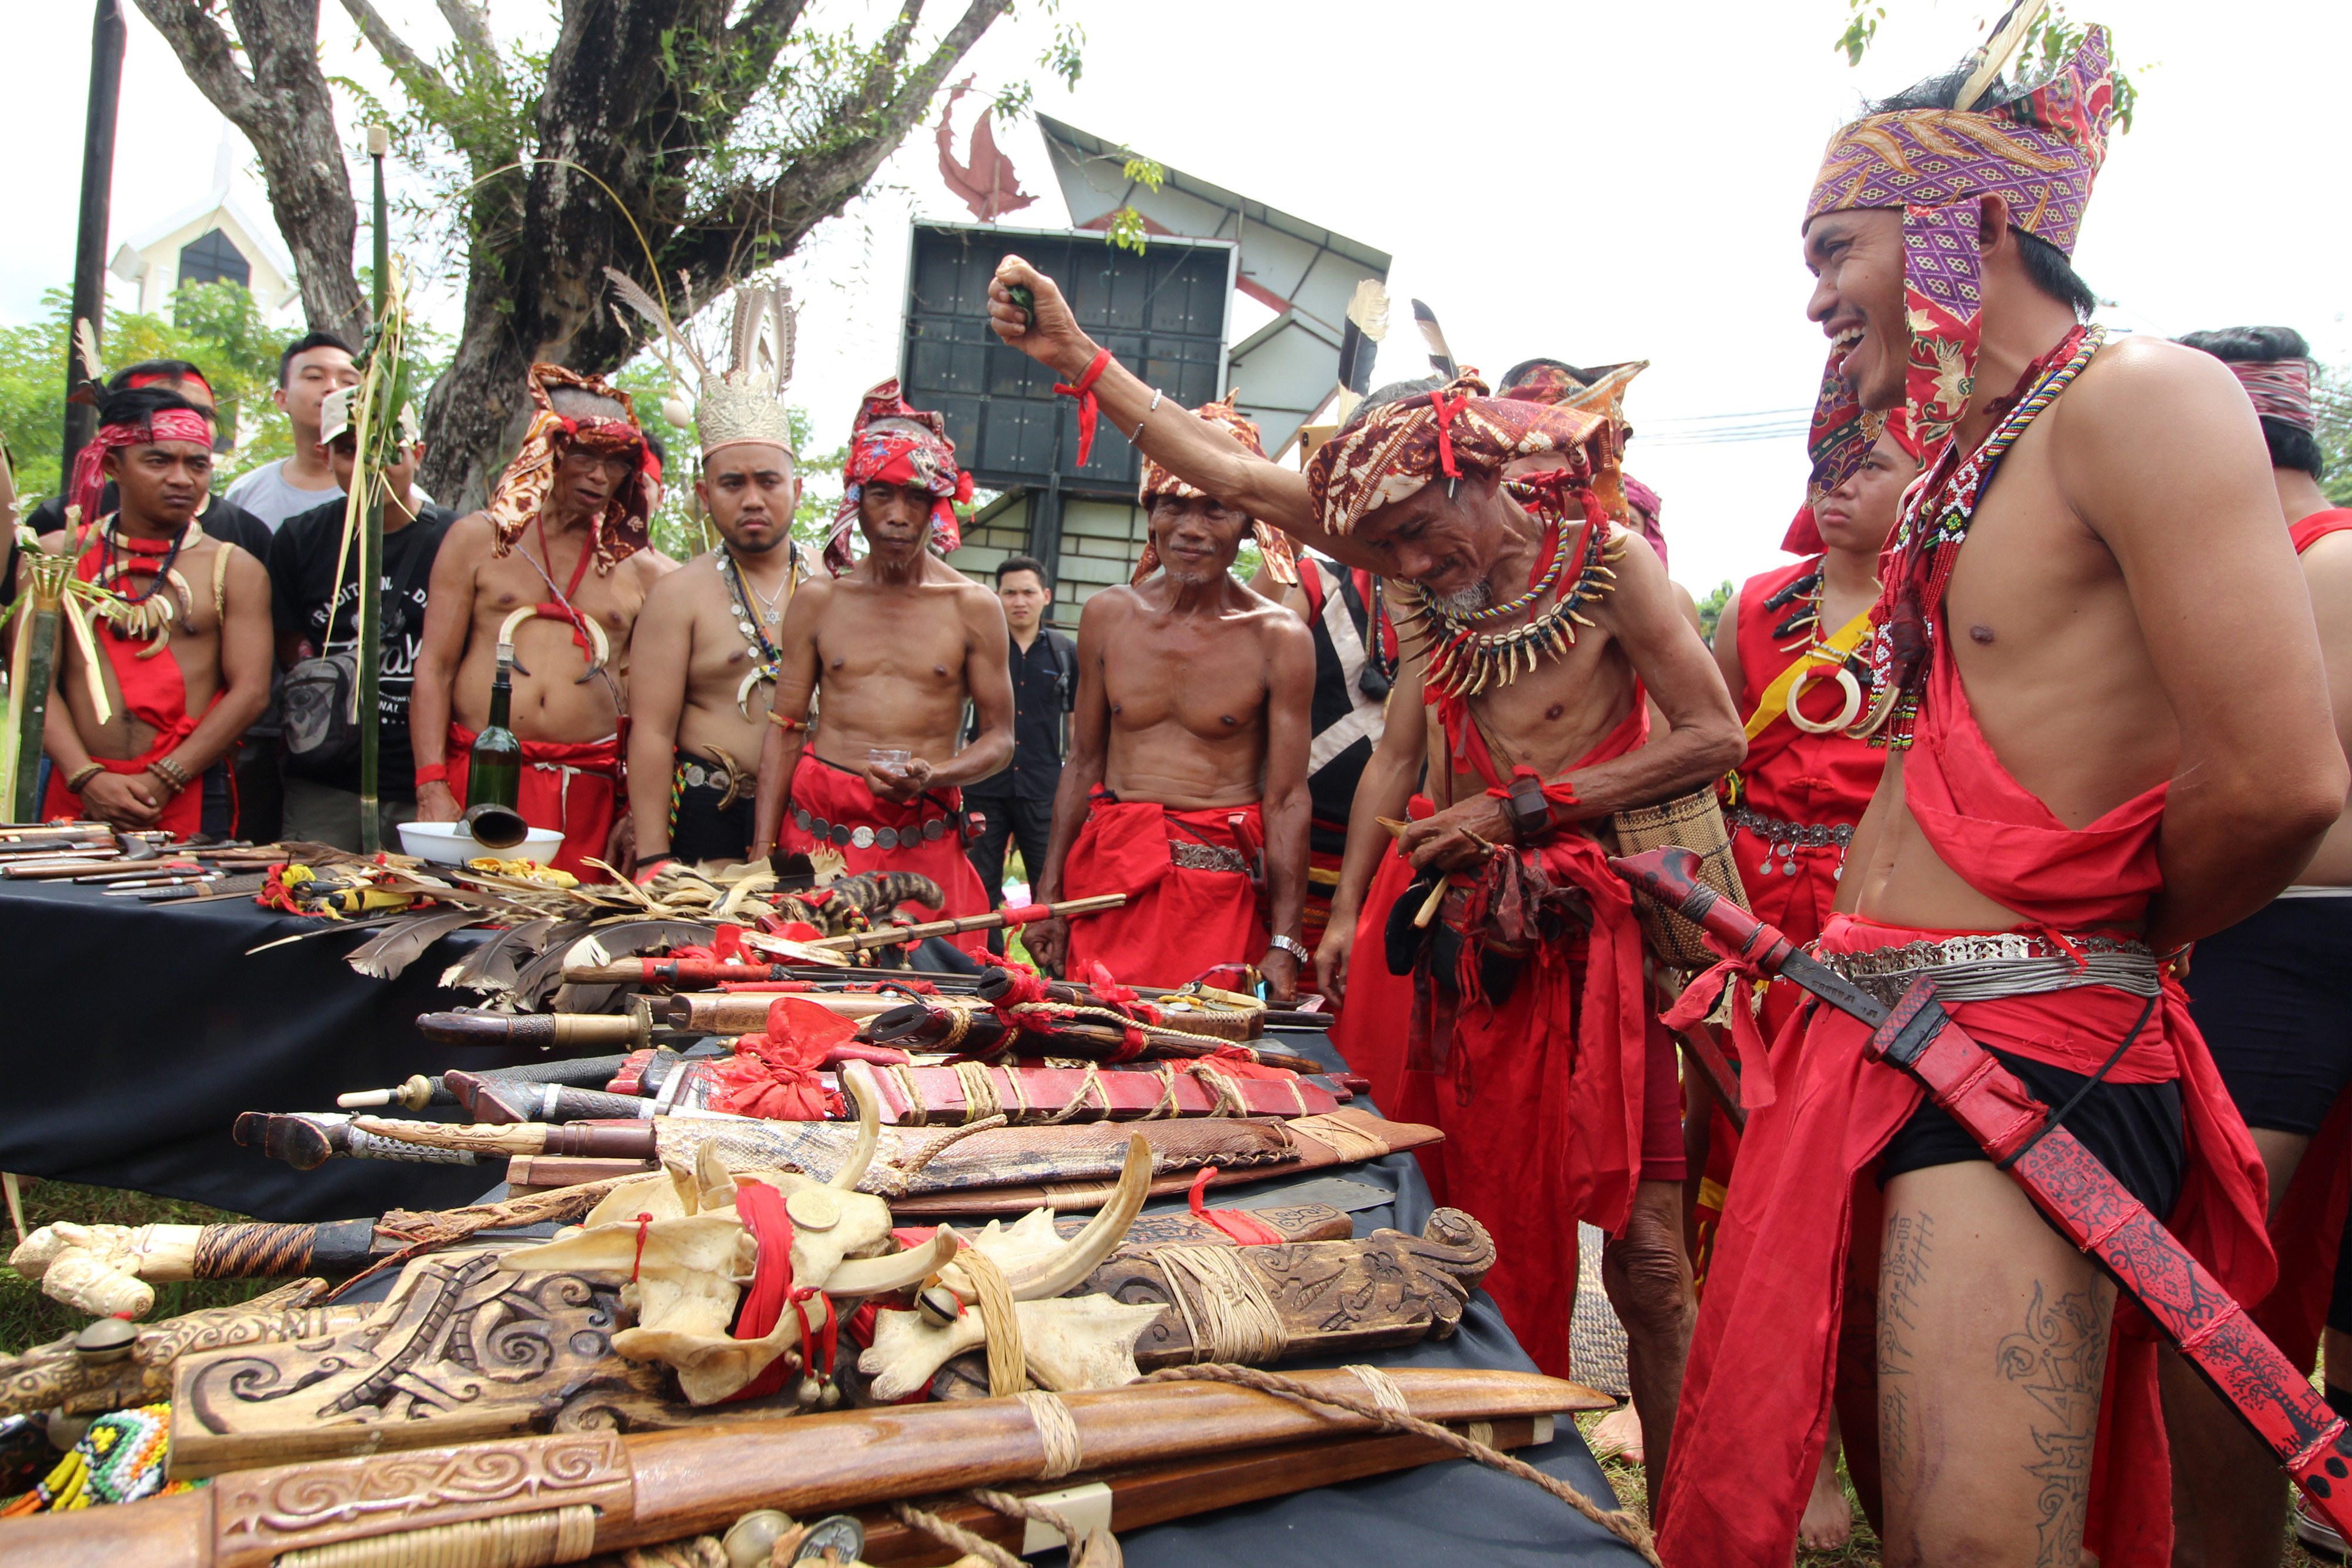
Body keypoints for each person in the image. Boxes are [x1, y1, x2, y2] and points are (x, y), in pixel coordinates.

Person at [1659, 31, 2344, 1567]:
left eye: (1837, 247)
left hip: (2030, 1048)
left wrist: (2089, 940)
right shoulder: (1978, 454)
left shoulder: (2145, 400)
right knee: (1917, 1526)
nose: (1817, 296)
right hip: (1895, 1039)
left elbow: (2288, 776)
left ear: (1962, 217)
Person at [985, 266, 1746, 1513]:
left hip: (1607, 935)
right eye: (1377, 543)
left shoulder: (1608, 566)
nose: (1402, 563)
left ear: (1482, 473)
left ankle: (1669, 1524)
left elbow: (1714, 735)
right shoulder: (1406, 544)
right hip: (1477, 946)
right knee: (1456, 1209)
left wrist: (1517, 808)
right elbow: (1224, 473)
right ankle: (1502, 1488)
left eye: (1416, 533)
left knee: (1652, 1261)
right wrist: (1078, 358)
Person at [1693, 414, 1919, 1552]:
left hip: (1874, 912)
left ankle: (1877, 1428)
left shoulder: (1941, 598)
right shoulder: (1754, 607)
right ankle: (1802, 1445)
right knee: (1745, 1161)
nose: (1838, 489)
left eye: (1869, 466)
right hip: (1754, 910)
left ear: (1925, 477)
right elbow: (1711, 753)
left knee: (1862, 1180)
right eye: (1824, 468)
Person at [2163, 325, 2352, 1567]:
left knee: (2210, 1291)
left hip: (2268, 930)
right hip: (2289, 930)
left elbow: (2280, 789)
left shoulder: (2279, 572)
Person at [1024, 397, 1314, 999]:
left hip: (1216, 897)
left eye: (1216, 508)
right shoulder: (1108, 615)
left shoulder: (1279, 638)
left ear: (1250, 521)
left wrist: (1285, 941)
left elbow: (1286, 799)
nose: (1191, 528)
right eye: (1174, 504)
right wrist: (1047, 895)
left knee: (1207, 1073)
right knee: (1092, 1055)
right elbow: (1082, 762)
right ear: (1150, 512)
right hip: (1107, 882)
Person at [747, 380, 1011, 948]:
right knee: (807, 997)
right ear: (856, 501)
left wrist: (936, 775)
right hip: (819, 844)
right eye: (882, 496)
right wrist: (759, 854)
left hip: (928, 838)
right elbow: (785, 728)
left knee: (936, 1011)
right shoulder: (821, 600)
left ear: (936, 505)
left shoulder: (974, 607)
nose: (897, 515)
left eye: (915, 497)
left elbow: (1002, 739)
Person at [410, 365, 666, 878]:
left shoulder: (646, 572)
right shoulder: (476, 540)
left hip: (590, 793)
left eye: (616, 463)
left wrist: (641, 813)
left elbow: (656, 717)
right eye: (586, 455)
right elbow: (434, 668)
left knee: (570, 946)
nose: (600, 476)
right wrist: (432, 784)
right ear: (548, 448)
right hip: (479, 781)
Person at [32, 385, 272, 835]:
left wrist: (166, 777)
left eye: (197, 464)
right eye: (159, 461)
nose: (182, 478)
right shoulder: (54, 558)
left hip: (188, 787)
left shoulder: (236, 568)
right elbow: (34, 683)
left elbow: (251, 691)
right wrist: (86, 776)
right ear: (111, 466)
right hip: (75, 784)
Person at [627, 360, 807, 873]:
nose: (753, 499)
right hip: (708, 812)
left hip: (808, 816)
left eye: (768, 481)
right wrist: (653, 855)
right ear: (706, 496)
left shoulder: (834, 586)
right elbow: (652, 732)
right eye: (733, 484)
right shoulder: (677, 594)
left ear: (797, 486)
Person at [268, 386, 456, 850]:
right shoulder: (299, 540)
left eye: (388, 448)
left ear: (418, 452)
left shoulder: (456, 539)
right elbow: (289, 646)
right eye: (349, 450)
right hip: (324, 783)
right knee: (314, 903)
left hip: (423, 781)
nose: (370, 464)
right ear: (324, 455)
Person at [961, 555, 1076, 938]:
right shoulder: (980, 648)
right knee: (980, 890)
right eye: (1009, 592)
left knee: (1052, 889)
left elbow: (1076, 727)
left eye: (1028, 592)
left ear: (1045, 596)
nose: (1019, 601)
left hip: (1043, 790)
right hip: (984, 788)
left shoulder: (1064, 652)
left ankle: (1054, 975)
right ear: (997, 597)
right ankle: (987, 973)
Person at [223, 333, 360, 532]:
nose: (332, 388)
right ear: (282, 399)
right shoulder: (245, 493)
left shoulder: (392, 497)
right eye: (314, 377)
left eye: (348, 382)